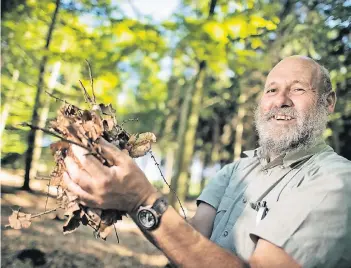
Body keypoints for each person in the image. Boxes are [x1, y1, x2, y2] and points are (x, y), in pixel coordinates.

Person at [63, 55, 351, 268]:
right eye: (272, 90)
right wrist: (119, 189)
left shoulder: (336, 181)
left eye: (298, 89)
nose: (281, 100)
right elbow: (188, 241)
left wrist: (142, 200)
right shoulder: (235, 170)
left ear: (328, 102)